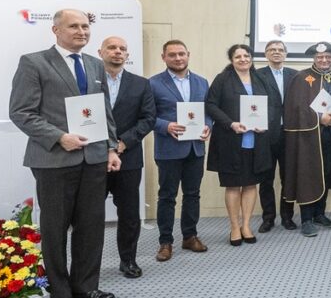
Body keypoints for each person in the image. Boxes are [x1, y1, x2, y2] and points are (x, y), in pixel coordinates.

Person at [9, 9, 121, 298]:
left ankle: (85, 286)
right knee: (55, 227)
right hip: (54, 160)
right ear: (56, 30)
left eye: (85, 26)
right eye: (74, 26)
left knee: (91, 226)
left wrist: (112, 149)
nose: (82, 31)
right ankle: (60, 294)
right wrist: (59, 137)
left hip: (94, 158)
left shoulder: (95, 64)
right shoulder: (34, 63)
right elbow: (21, 112)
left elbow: (104, 112)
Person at [205, 44, 277, 246]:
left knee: (251, 184)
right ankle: (234, 227)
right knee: (233, 185)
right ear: (232, 60)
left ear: (251, 58)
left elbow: (271, 105)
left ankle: (246, 225)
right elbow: (210, 105)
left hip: (256, 141)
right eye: (238, 56)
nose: (243, 59)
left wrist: (265, 123)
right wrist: (230, 124)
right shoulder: (222, 79)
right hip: (230, 140)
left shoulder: (261, 79)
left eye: (246, 55)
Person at [99, 36, 156, 278]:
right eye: (112, 48)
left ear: (127, 55)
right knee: (90, 215)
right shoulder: (89, 81)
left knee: (130, 214)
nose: (117, 52)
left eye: (122, 48)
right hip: (94, 157)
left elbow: (148, 118)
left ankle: (128, 260)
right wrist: (105, 147)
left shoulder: (140, 84)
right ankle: (89, 267)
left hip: (128, 157)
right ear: (100, 52)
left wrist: (123, 143)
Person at [149, 40, 211, 261]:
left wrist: (208, 126)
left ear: (188, 54)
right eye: (172, 54)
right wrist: (165, 126)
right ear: (163, 57)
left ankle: (190, 236)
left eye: (181, 54)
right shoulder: (153, 83)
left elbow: (208, 111)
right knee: (167, 196)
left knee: (192, 194)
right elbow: (147, 116)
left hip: (195, 148)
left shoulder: (202, 82)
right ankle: (165, 242)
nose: (178, 58)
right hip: (169, 149)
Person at [282, 42, 331, 237]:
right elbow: (296, 107)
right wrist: (319, 118)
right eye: (320, 57)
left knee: (326, 174)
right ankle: (307, 219)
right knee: (308, 175)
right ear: (314, 58)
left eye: (328, 57)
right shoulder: (302, 77)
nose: (324, 60)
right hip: (309, 136)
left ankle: (320, 213)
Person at [256, 40, 298, 232]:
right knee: (266, 179)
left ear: (285, 54)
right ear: (266, 54)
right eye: (272, 50)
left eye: (280, 50)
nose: (276, 52)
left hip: (290, 134)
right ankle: (268, 218)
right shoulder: (257, 75)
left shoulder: (295, 75)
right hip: (265, 134)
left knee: (288, 178)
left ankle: (287, 217)